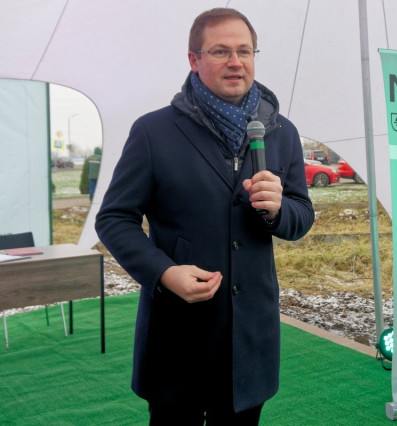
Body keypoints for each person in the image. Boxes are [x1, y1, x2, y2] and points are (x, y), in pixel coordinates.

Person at [95, 8, 314, 425]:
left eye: (244, 51)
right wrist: (164, 273)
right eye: (220, 51)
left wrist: (278, 210)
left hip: (250, 339)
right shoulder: (154, 132)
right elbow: (114, 218)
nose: (236, 62)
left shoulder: (281, 132)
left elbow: (301, 214)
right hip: (177, 336)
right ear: (194, 59)